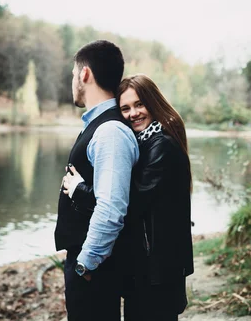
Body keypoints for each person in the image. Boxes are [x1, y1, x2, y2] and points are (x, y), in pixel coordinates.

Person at [62, 73, 194, 321]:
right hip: (147, 267)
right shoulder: (145, 142)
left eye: (139, 104)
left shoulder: (161, 146)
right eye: (125, 108)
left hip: (157, 270)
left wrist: (80, 191)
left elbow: (129, 202)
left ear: (153, 103)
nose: (133, 113)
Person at [54, 40, 139, 321]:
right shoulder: (99, 126)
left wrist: (85, 264)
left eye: (73, 74)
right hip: (90, 265)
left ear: (85, 75)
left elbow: (112, 208)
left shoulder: (110, 131)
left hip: (95, 269)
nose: (73, 81)